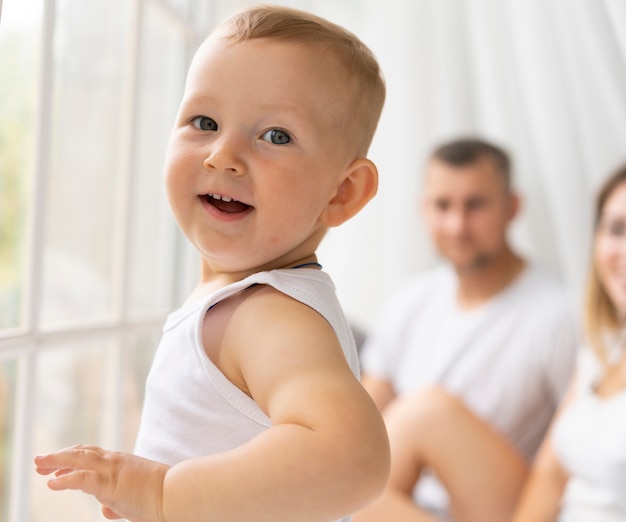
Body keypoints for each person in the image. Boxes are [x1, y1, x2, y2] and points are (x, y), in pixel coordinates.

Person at [33, 6, 390, 522]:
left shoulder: (268, 314)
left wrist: (162, 494)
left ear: (342, 192)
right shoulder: (238, 301)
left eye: (276, 136)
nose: (223, 155)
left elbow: (353, 457)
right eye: (205, 122)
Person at [355, 161, 626, 522]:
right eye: (617, 228)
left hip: (490, 504)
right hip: (431, 497)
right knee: (355, 483)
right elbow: (552, 475)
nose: (457, 225)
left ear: (512, 208)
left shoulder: (556, 314)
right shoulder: (603, 349)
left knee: (426, 410)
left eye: (476, 205)